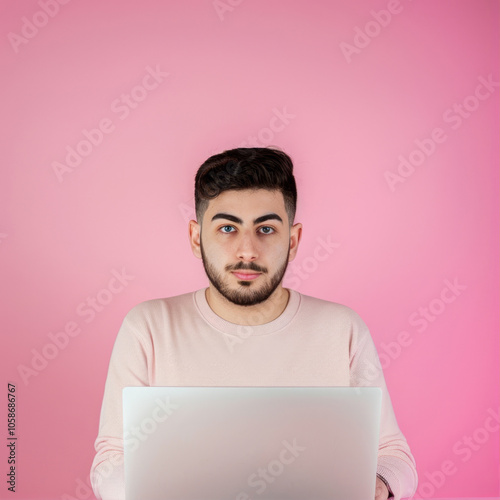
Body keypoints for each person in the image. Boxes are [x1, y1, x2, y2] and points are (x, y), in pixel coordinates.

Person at [90, 147, 418, 500]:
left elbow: (393, 454)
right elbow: (111, 460)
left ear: (292, 241)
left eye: (265, 229)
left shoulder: (343, 330)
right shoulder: (149, 327)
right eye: (228, 228)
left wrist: (379, 484)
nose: (247, 250)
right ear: (197, 238)